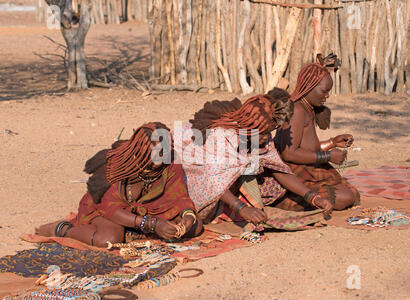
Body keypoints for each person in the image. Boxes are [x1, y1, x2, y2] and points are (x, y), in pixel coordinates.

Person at [173, 92, 334, 231]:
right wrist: (241, 208)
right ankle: (226, 208)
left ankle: (236, 202)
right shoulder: (222, 136)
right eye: (263, 133)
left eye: (269, 132)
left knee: (271, 182)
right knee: (198, 212)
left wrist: (313, 197)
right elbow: (214, 180)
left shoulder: (260, 134)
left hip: (221, 178)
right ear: (250, 126)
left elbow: (278, 168)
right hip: (191, 176)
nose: (266, 137)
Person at [35, 122, 202, 247]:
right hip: (107, 211)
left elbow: (180, 197)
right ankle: (62, 229)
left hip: (149, 211)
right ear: (141, 147)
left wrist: (188, 217)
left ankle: (132, 232)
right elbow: (109, 208)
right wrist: (152, 224)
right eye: (154, 147)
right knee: (108, 239)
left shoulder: (171, 162)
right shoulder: (118, 165)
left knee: (195, 227)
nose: (161, 153)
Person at [273, 53, 360, 212]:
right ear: (309, 87)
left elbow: (307, 146)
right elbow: (288, 154)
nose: (327, 96)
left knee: (349, 194)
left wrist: (333, 142)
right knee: (344, 197)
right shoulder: (297, 110)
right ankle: (295, 199)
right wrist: (327, 156)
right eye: (324, 91)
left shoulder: (307, 109)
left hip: (306, 166)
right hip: (292, 172)